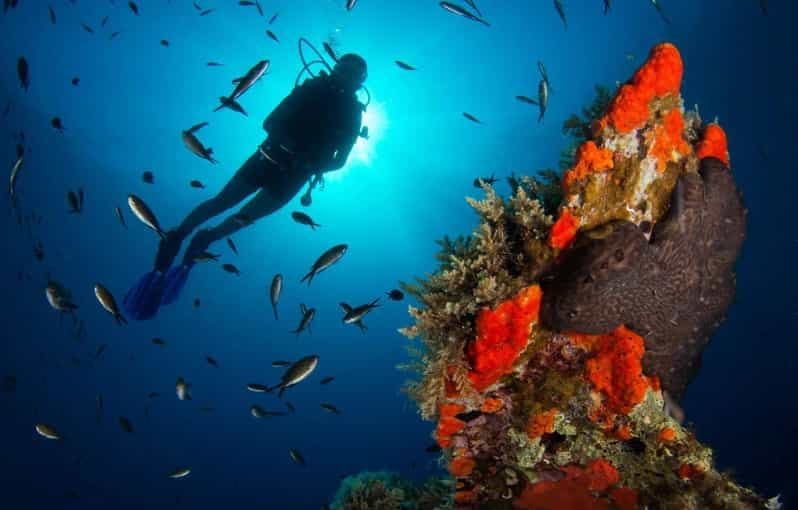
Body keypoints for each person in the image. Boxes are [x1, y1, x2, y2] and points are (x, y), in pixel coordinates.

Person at [124, 53, 368, 320]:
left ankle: (204, 238)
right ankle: (179, 235)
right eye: (345, 69)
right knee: (223, 202)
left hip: (293, 176)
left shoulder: (353, 113)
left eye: (353, 74)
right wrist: (296, 152)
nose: (347, 77)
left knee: (242, 219)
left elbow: (340, 162)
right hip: (269, 159)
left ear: (359, 81)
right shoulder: (311, 89)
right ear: (336, 68)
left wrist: (309, 165)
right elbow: (270, 122)